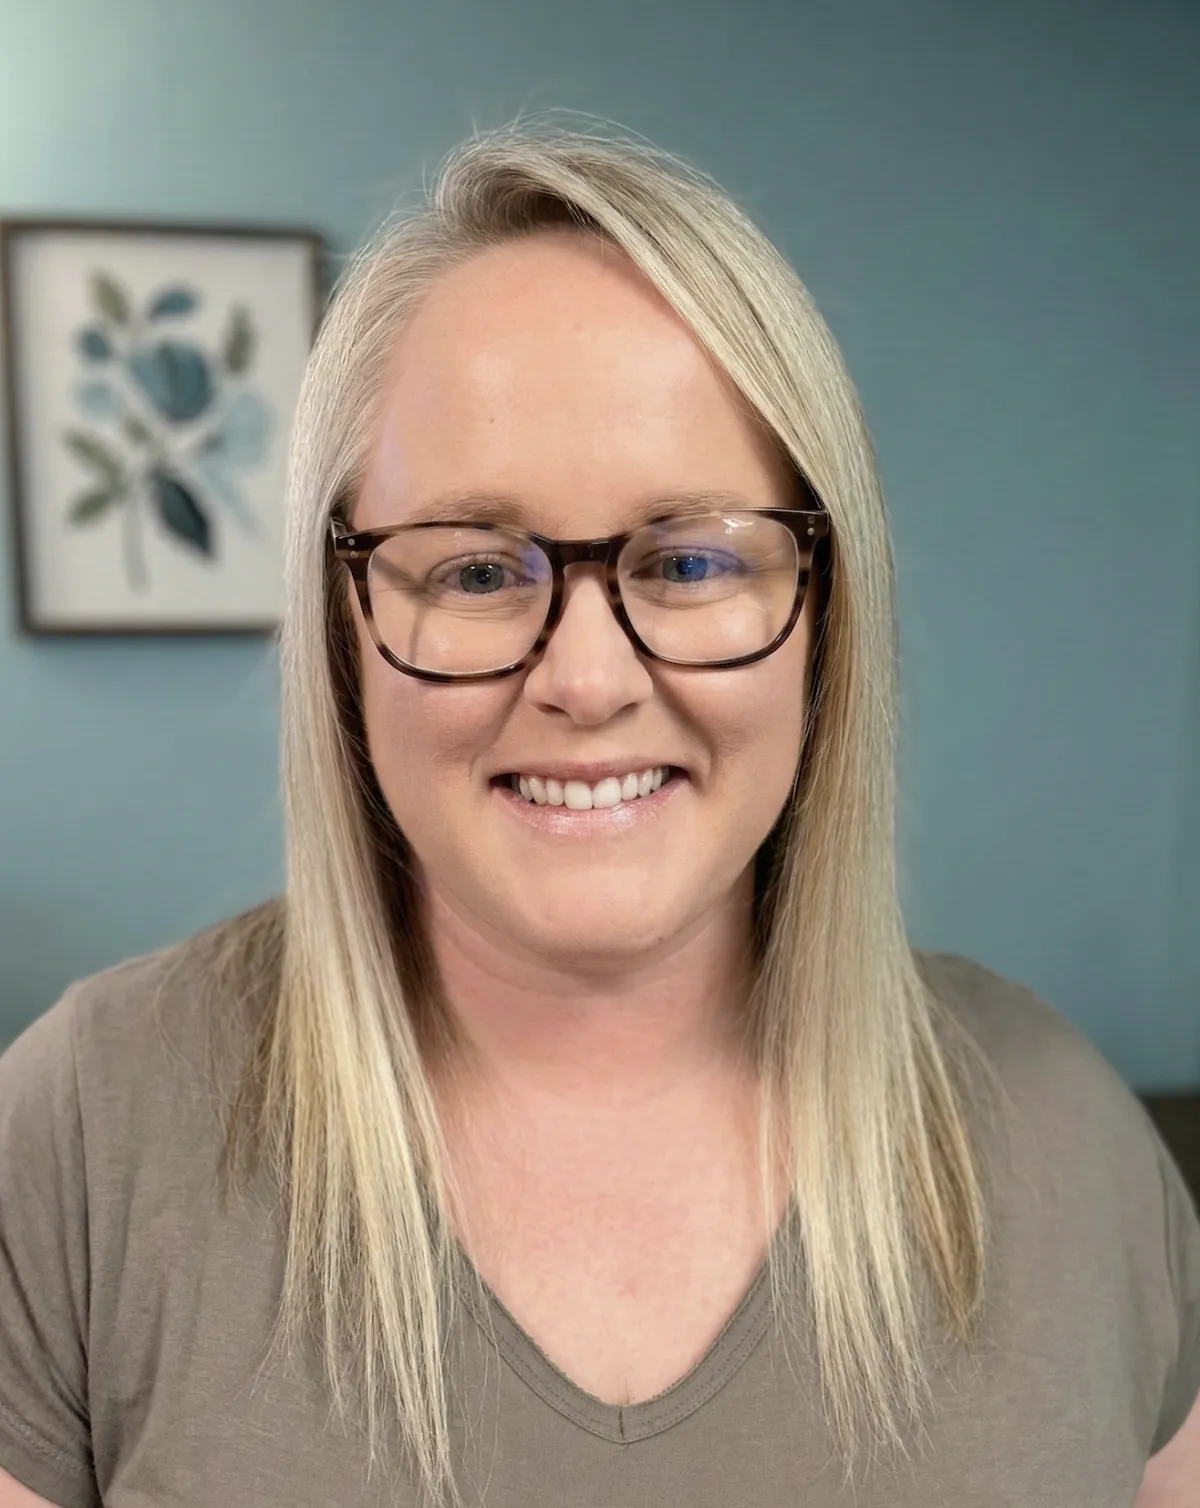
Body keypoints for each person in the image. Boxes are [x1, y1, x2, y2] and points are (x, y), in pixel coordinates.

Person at [1, 125, 1197, 1508]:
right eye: (474, 570)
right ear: (344, 629)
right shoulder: (88, 1132)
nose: (586, 679)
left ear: (827, 614)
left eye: (688, 562)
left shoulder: (1066, 1140)